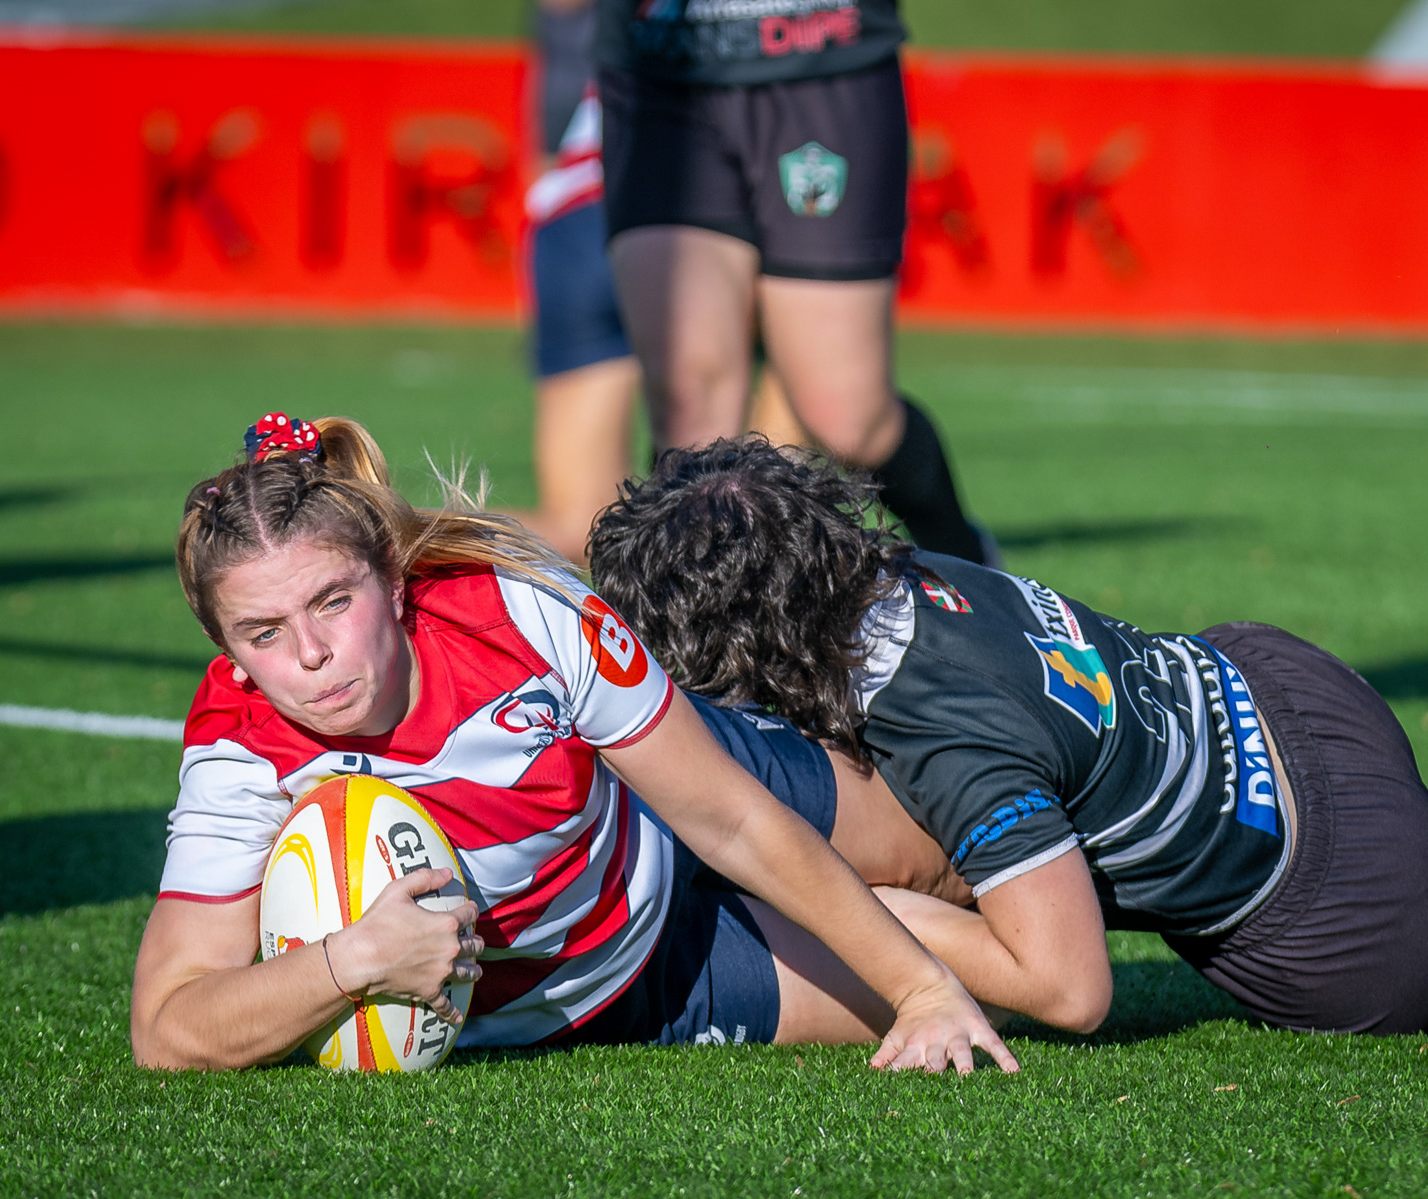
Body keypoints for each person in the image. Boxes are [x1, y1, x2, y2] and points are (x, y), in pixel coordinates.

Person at [586, 439, 1428, 1035]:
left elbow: (1076, 988)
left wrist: (863, 911)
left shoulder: (944, 733)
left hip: (1344, 906)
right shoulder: (901, 571)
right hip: (1279, 682)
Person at [128, 413, 1015, 1074]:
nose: (312, 655)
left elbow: (730, 820)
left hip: (669, 799)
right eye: (263, 632)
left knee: (967, 862)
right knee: (1012, 996)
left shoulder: (514, 608)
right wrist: (353, 960)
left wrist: (919, 987)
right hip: (634, 979)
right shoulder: (238, 754)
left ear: (394, 579)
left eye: (331, 601)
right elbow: (168, 1025)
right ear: (229, 653)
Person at [591, 0, 996, 564]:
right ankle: (681, 626)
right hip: (660, 68)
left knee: (847, 419)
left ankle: (968, 562)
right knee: (689, 408)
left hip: (821, 56)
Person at [520, 0, 642, 564]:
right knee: (766, 492)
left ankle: (351, 533)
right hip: (694, 208)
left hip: (571, 208)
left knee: (582, 526)